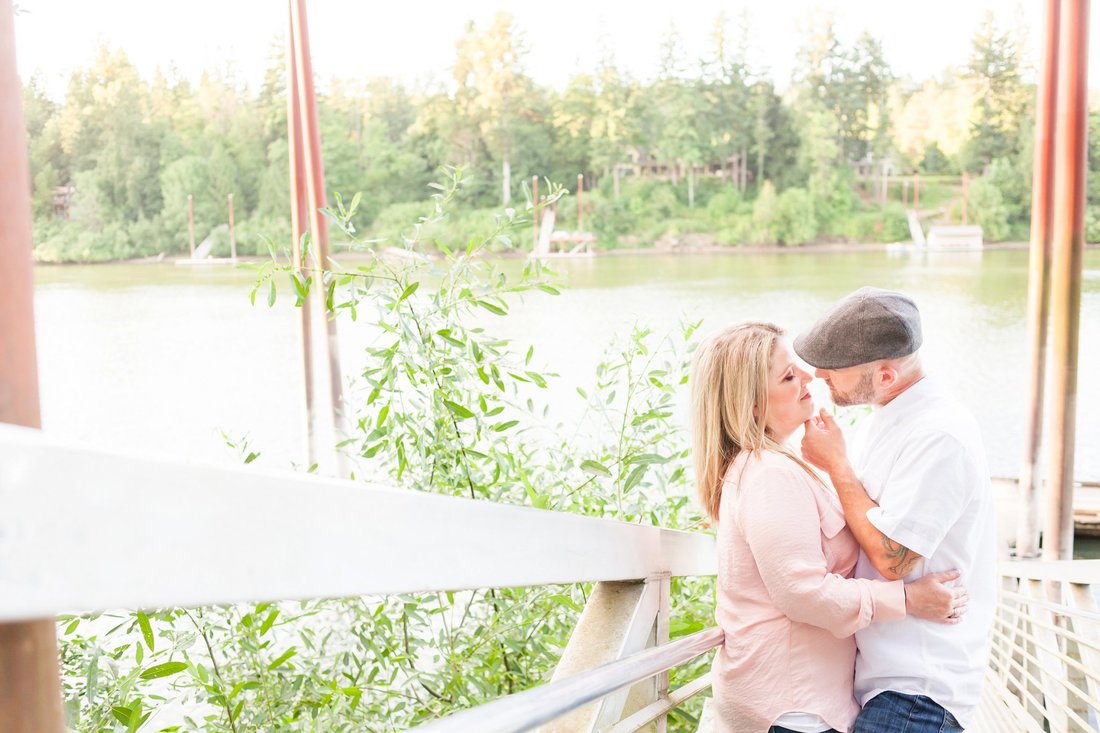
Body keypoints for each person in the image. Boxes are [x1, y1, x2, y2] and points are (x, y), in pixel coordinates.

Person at [690, 321, 967, 733]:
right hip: (791, 707)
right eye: (788, 375)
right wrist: (909, 599)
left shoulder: (777, 466)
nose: (809, 376)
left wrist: (837, 465)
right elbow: (804, 593)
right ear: (750, 403)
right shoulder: (769, 474)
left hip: (799, 701)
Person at [796, 287, 996, 733]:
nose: (818, 374)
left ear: (886, 376)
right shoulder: (887, 416)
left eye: (834, 369)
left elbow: (892, 557)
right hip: (881, 679)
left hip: (917, 689)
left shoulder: (939, 435)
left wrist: (837, 465)